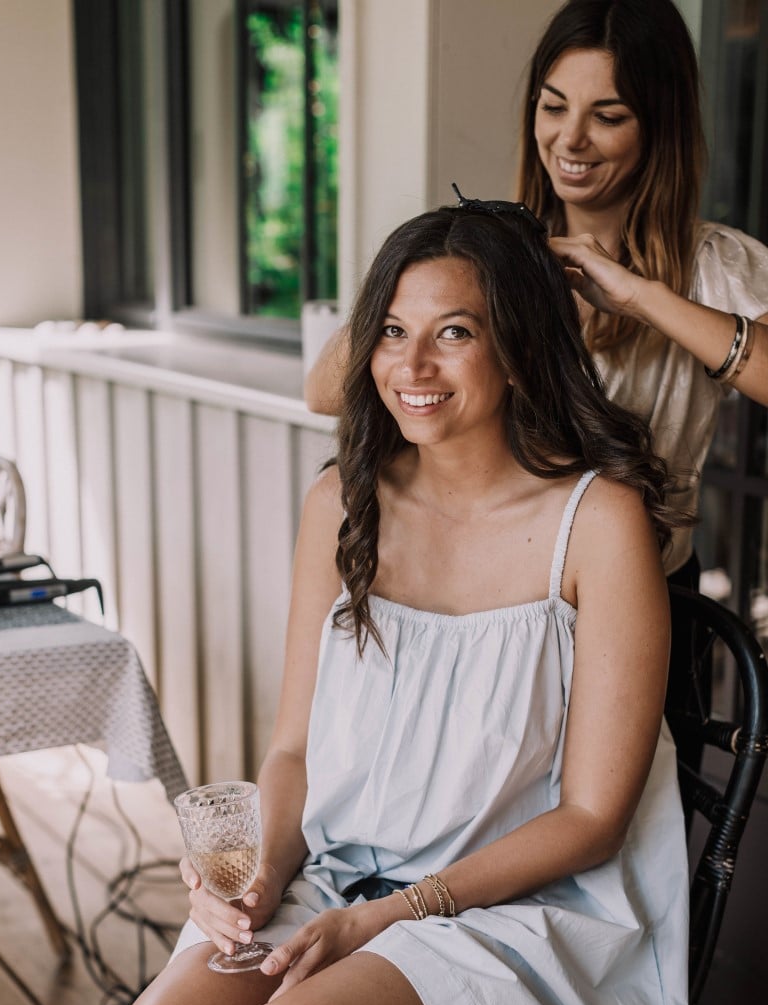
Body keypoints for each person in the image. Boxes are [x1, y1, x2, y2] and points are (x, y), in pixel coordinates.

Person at [86, 203, 690, 1005]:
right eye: (391, 333)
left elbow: (591, 820)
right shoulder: (343, 501)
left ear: (518, 345)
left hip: (513, 915)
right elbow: (291, 750)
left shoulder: (596, 524)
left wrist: (391, 919)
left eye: (453, 332)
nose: (411, 366)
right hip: (336, 881)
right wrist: (261, 872)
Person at [304, 0, 768, 594]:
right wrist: (439, 270)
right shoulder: (491, 257)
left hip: (645, 596)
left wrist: (642, 297)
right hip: (494, 594)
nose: (570, 138)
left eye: (608, 115)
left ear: (660, 125)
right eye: (553, 107)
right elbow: (322, 392)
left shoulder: (716, 264)